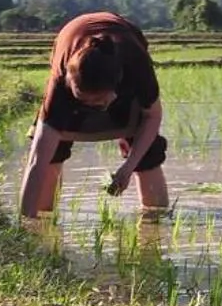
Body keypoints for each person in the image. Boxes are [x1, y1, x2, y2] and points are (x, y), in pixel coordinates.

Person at [18, 12, 169, 219]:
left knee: (146, 150)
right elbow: (37, 162)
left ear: (116, 88)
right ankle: (42, 218)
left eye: (98, 101)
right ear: (70, 84)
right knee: (52, 152)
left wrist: (127, 169)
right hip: (70, 38)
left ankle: (155, 219)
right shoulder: (60, 86)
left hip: (125, 42)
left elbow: (152, 116)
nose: (91, 107)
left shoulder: (136, 67)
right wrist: (26, 222)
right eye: (82, 99)